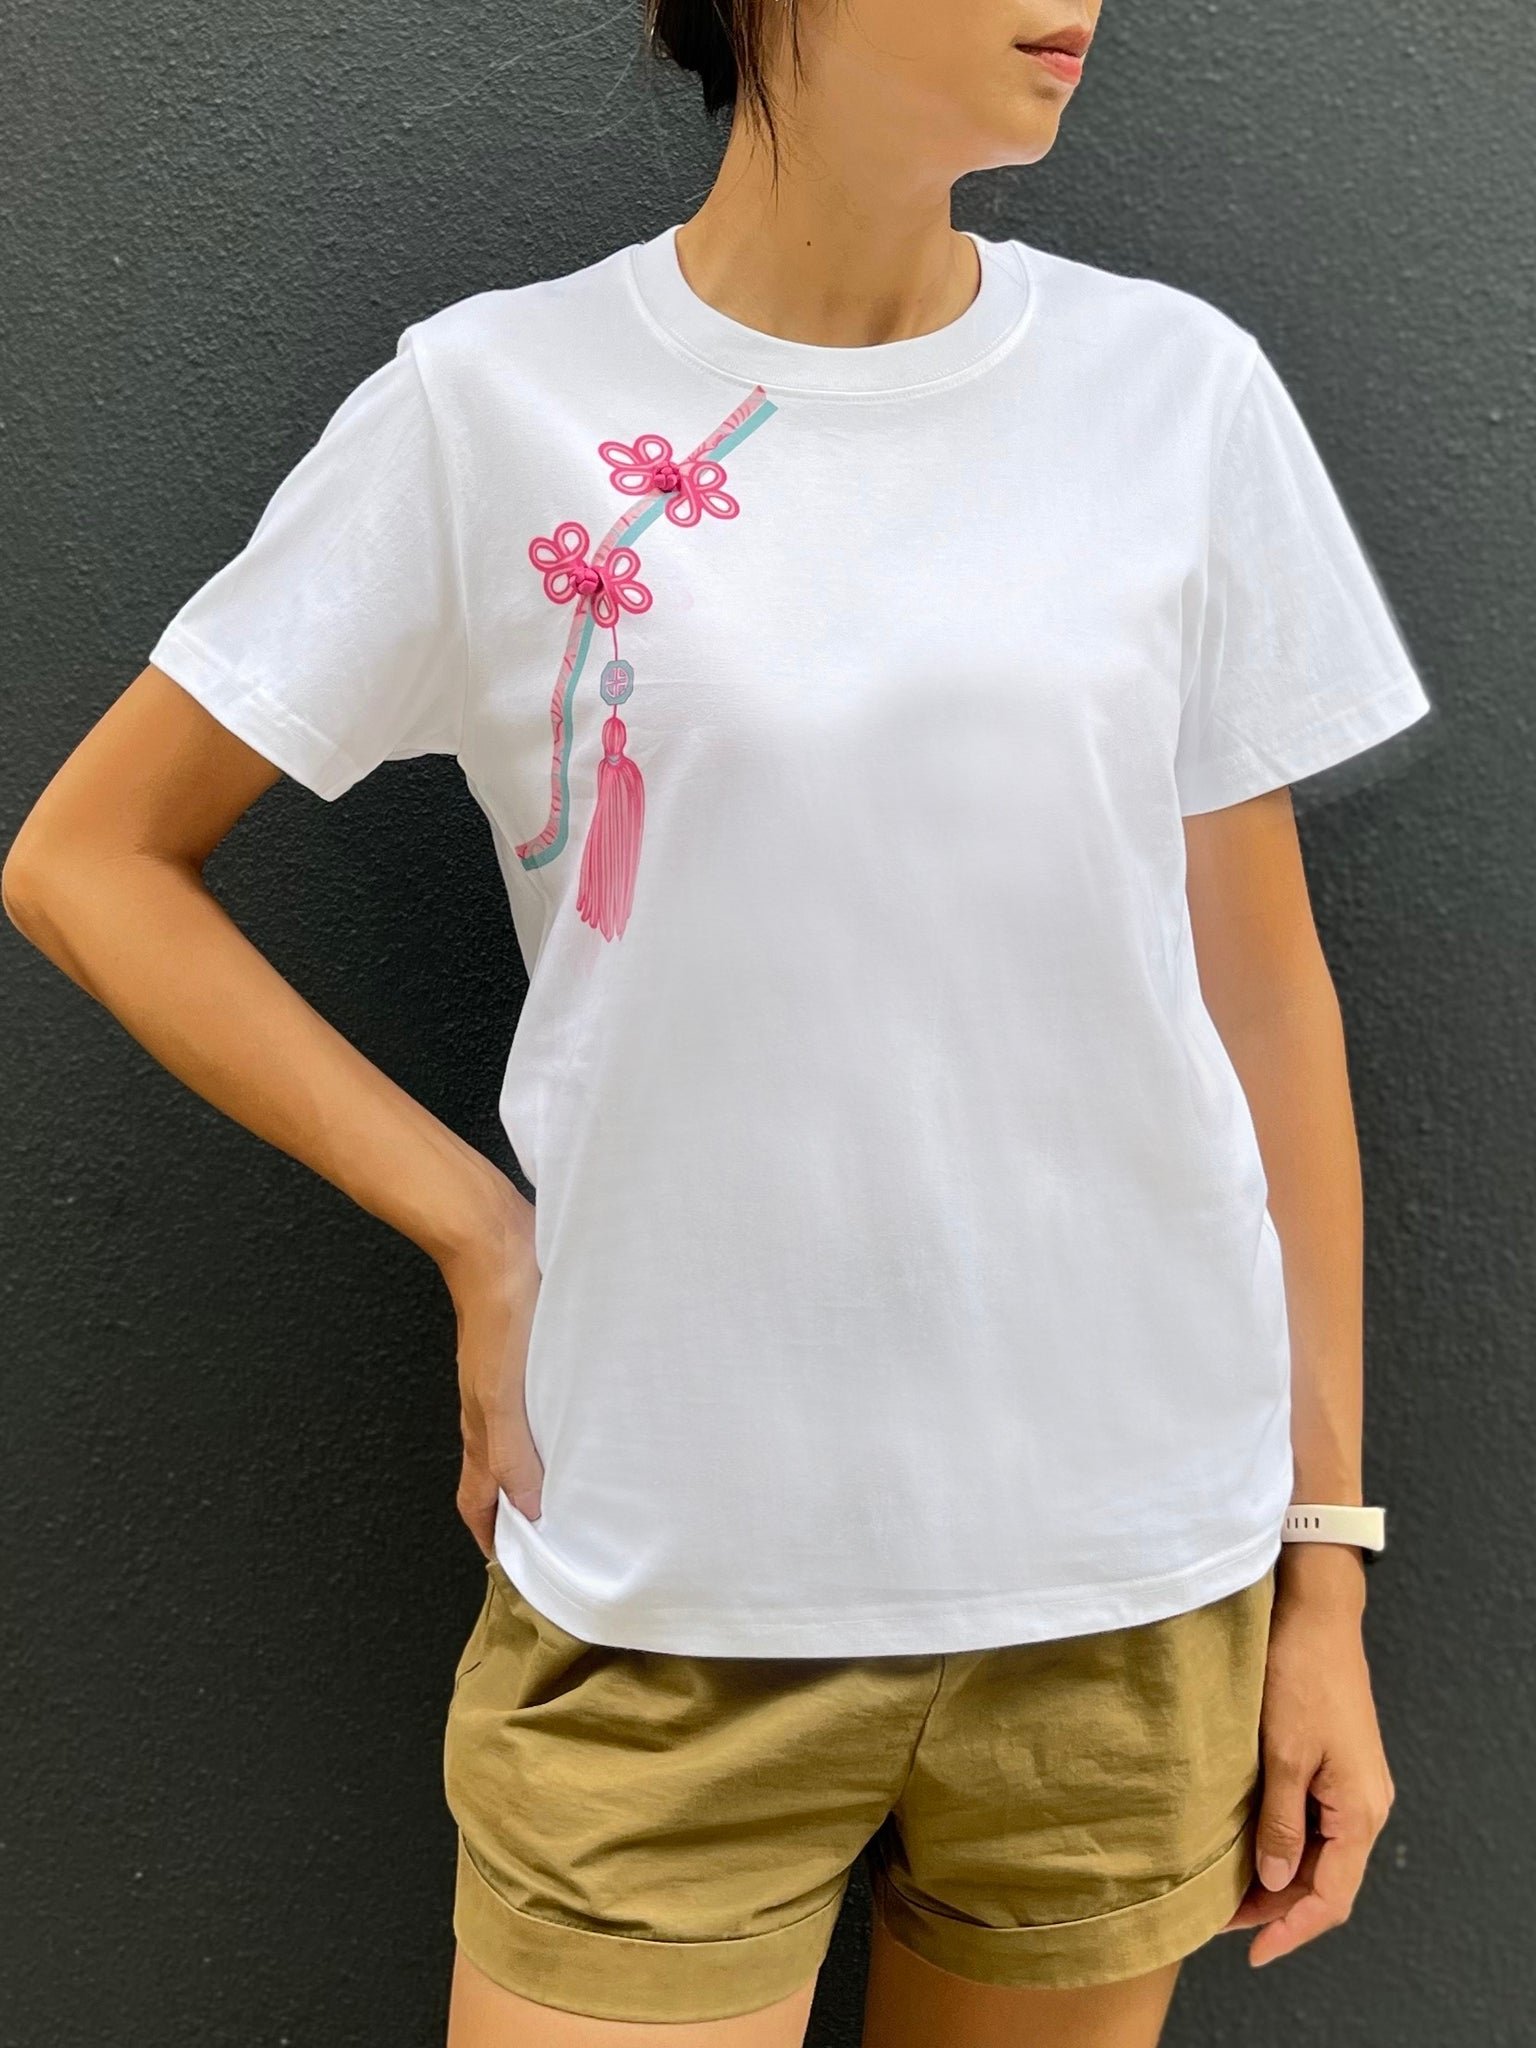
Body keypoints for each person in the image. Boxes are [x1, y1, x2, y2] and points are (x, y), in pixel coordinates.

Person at [4, 1, 1433, 2042]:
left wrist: (1325, 1566)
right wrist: (475, 1229)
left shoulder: (1175, 393)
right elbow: (90, 860)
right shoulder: (496, 404)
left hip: (1124, 1590)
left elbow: (1269, 1009)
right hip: (665, 1579)